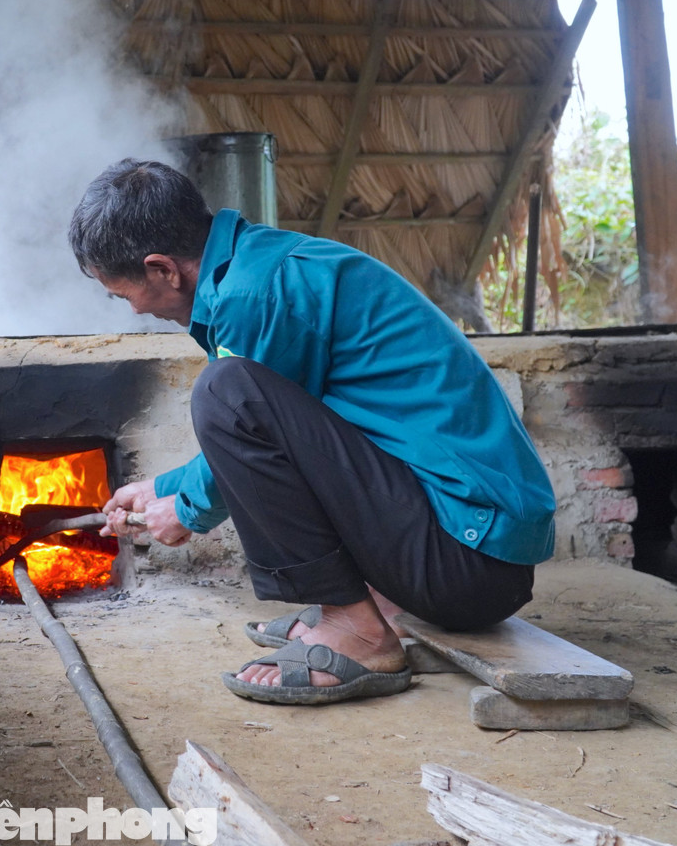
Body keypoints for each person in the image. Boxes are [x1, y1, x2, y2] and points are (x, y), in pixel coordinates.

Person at [68, 159, 556, 705]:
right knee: (236, 393)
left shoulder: (255, 294)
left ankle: (357, 630)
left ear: (162, 269)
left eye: (122, 293)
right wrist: (165, 486)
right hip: (470, 555)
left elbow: (246, 417)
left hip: (467, 565)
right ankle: (381, 605)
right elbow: (290, 435)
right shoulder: (260, 266)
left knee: (224, 390)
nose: (132, 310)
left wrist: (185, 510)